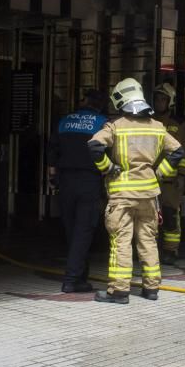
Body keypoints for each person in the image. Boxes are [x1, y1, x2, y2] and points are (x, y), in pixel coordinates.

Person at [89, 78, 184, 304]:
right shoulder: (157, 127)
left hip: (122, 195)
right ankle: (151, 289)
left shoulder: (116, 125)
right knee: (148, 241)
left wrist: (108, 168)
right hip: (149, 195)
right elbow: (178, 152)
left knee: (121, 242)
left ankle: (119, 291)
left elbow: (94, 146)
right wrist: (159, 172)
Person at [48, 89, 109, 293]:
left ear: (84, 102)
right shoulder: (103, 123)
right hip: (88, 181)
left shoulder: (65, 121)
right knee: (84, 231)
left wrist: (53, 177)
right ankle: (72, 279)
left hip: (65, 181)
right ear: (99, 104)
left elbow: (52, 151)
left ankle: (80, 275)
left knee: (71, 229)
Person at [152, 83, 185, 265]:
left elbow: (184, 152)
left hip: (170, 181)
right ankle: (151, 250)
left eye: (163, 99)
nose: (159, 103)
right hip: (150, 179)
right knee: (149, 217)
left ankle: (170, 250)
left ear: (170, 102)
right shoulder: (147, 121)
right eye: (157, 99)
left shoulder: (177, 125)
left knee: (170, 217)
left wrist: (181, 176)